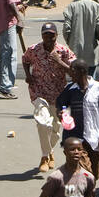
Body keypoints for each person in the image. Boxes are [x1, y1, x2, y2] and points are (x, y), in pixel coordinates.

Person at [23, 22, 76, 173]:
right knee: (43, 122)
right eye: (46, 35)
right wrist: (28, 75)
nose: (49, 38)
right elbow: (25, 60)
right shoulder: (34, 50)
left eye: (51, 35)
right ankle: (44, 156)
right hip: (39, 92)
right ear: (42, 36)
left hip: (59, 94)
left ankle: (50, 151)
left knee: (55, 129)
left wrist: (59, 62)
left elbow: (74, 71)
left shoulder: (64, 51)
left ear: (56, 36)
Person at [55, 60, 99, 179]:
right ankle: (84, 193)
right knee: (83, 170)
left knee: (94, 174)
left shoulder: (98, 88)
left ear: (82, 72)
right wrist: (61, 113)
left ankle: (89, 194)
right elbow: (61, 104)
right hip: (75, 136)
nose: (70, 74)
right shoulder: (70, 89)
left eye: (73, 71)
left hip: (94, 137)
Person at [62, 0, 99, 74]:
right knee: (90, 83)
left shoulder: (71, 7)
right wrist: (97, 37)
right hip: (91, 54)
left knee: (76, 82)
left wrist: (70, 41)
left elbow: (66, 28)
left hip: (75, 53)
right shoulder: (97, 7)